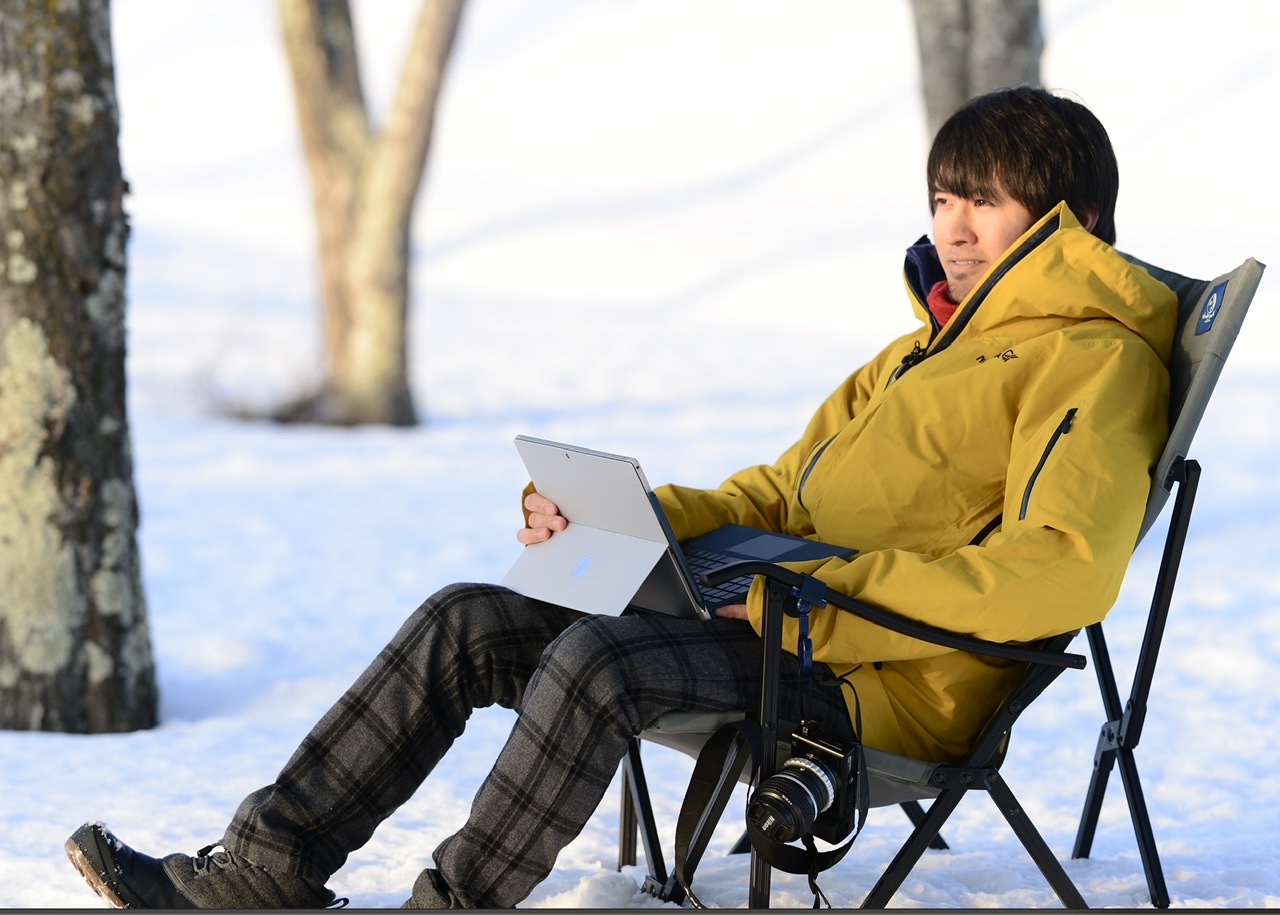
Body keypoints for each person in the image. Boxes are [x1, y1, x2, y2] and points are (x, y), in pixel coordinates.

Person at [64, 86, 1176, 909]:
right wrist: (628, 519)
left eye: (982, 199)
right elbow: (782, 492)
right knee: (471, 618)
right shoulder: (912, 356)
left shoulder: (1092, 360)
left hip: (876, 680)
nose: (953, 224)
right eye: (943, 197)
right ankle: (268, 866)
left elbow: (1059, 567)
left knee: (599, 662)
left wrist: (824, 604)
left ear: (1064, 213)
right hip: (780, 622)